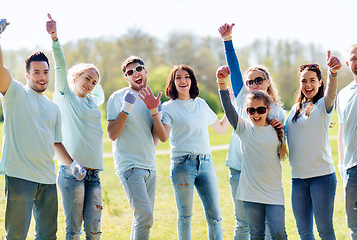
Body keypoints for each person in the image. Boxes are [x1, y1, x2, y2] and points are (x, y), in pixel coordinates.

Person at [0, 18, 82, 239]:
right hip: (20, 177)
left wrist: (72, 164)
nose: (42, 76)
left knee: (48, 235)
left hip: (47, 180)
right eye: (36, 72)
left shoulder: (53, 107)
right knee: (16, 235)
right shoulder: (14, 93)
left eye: (45, 72)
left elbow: (55, 143)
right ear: (27, 74)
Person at [142, 64, 229, 240]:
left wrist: (231, 106)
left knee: (215, 216)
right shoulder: (167, 107)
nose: (183, 80)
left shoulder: (201, 104)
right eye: (178, 77)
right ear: (172, 83)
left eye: (187, 77)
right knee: (185, 217)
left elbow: (221, 128)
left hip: (206, 163)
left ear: (192, 80)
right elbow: (164, 137)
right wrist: (154, 113)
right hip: (182, 164)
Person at [218, 23, 285, 240]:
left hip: (263, 175)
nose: (254, 83)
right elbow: (235, 70)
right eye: (250, 81)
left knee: (267, 228)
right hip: (238, 170)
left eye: (259, 79)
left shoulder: (277, 112)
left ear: (267, 82)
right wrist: (227, 40)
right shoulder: (241, 100)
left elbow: (283, 145)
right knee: (243, 224)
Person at [46, 14, 104, 239]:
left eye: (94, 82)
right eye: (88, 78)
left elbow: (98, 93)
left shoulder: (92, 101)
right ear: (77, 76)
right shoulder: (64, 96)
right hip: (72, 172)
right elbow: (60, 67)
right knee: (74, 230)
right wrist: (54, 38)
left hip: (94, 174)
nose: (90, 85)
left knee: (94, 231)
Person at [284, 52, 341, 239]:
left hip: (322, 178)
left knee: (324, 230)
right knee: (304, 232)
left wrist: (333, 73)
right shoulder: (294, 109)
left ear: (319, 82)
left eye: (312, 80)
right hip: (298, 179)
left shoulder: (323, 106)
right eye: (303, 81)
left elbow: (331, 93)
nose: (308, 85)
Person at [106, 56, 164, 240]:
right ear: (126, 78)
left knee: (142, 219)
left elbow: (159, 139)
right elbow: (112, 134)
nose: (135, 74)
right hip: (129, 166)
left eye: (138, 69)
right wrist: (126, 108)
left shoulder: (152, 98)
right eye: (129, 72)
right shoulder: (117, 97)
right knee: (145, 216)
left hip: (150, 167)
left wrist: (154, 111)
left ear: (145, 71)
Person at [337, 44, 357, 239]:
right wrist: (342, 164)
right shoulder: (343, 95)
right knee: (354, 224)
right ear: (347, 63)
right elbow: (341, 130)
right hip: (352, 168)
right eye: (354, 58)